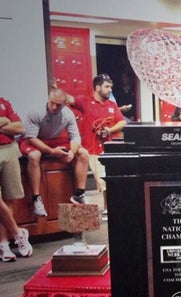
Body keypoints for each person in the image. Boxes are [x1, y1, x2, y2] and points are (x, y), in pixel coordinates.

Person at [19, 88, 90, 218]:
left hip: (53, 140)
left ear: (64, 104)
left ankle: (79, 194)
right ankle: (36, 199)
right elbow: (31, 138)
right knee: (35, 156)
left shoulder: (68, 114)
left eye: (58, 105)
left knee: (83, 153)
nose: (54, 107)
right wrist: (51, 151)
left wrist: (72, 152)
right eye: (52, 102)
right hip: (33, 140)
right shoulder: (36, 111)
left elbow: (75, 137)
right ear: (49, 98)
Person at [66, 74, 126, 220]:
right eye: (107, 87)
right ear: (97, 87)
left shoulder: (112, 105)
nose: (110, 90)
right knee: (103, 182)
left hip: (109, 149)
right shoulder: (85, 102)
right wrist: (55, 89)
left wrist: (110, 130)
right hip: (92, 149)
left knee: (110, 181)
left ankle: (108, 210)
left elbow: (122, 122)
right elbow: (69, 99)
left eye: (111, 87)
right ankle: (105, 210)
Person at [0, 97, 31, 261]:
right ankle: (18, 233)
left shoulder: (4, 102)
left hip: (9, 149)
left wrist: (3, 122)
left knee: (9, 197)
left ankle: (4, 244)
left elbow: (19, 127)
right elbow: (11, 125)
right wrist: (5, 121)